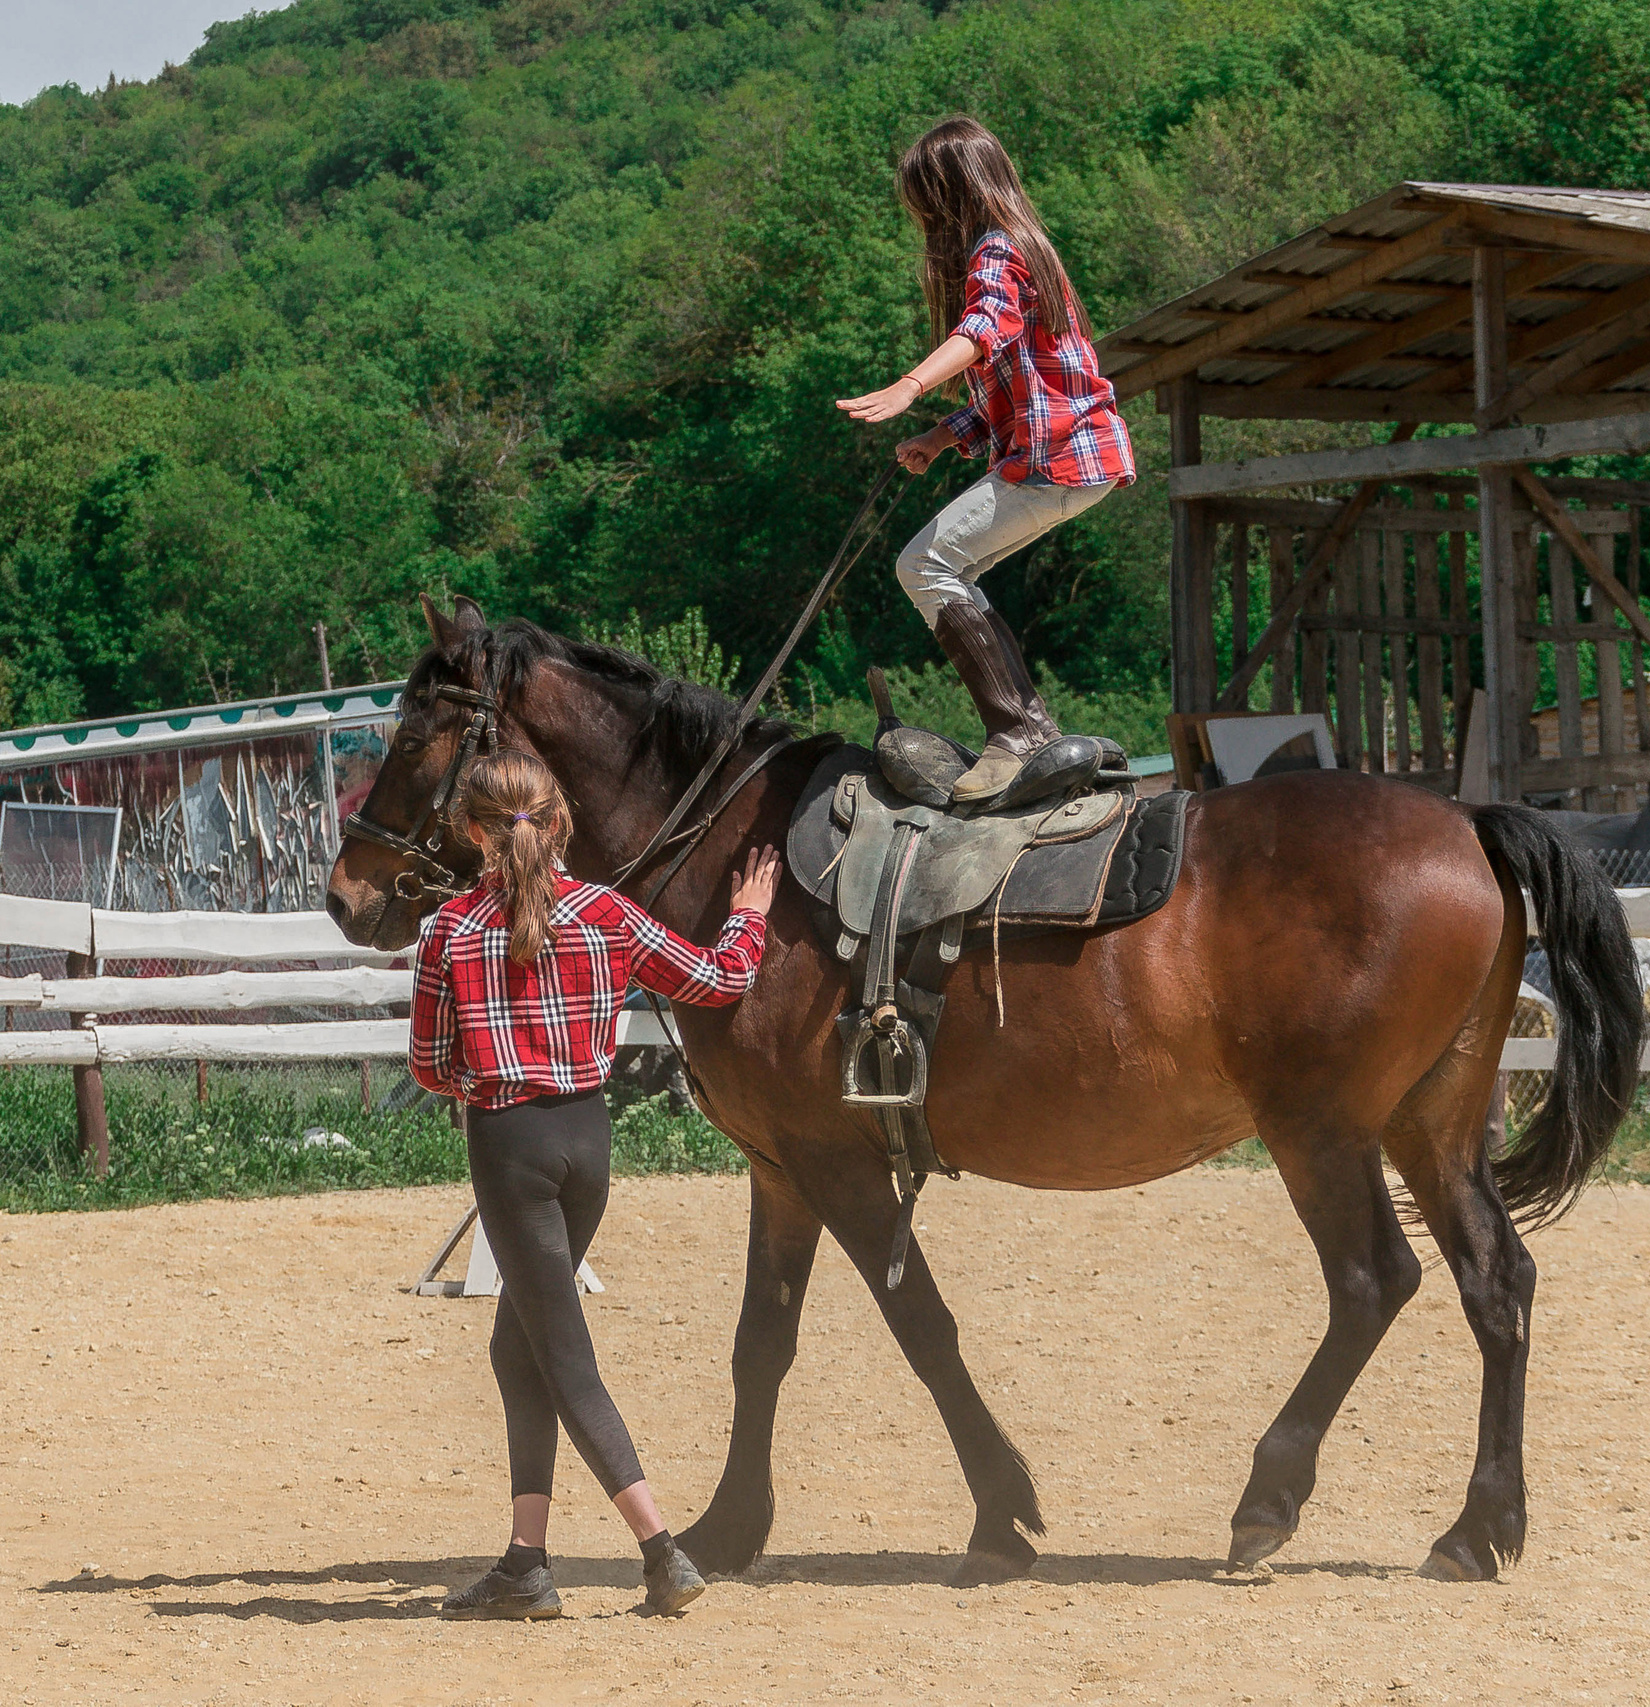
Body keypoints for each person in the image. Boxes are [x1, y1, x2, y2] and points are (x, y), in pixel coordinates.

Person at [410, 748, 781, 1620]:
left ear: (472, 832)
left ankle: (662, 1551)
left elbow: (429, 1065)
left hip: (511, 1144)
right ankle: (524, 1562)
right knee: (519, 1344)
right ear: (562, 819)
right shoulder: (606, 913)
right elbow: (721, 979)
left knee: (565, 1358)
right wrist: (750, 915)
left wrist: (485, 1080)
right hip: (589, 1139)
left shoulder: (451, 931)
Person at [837, 114, 1137, 810]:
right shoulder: (1029, 247)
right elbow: (1016, 379)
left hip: (1057, 461)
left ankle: (1017, 734)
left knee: (923, 565)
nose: (923, 225)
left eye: (924, 207)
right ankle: (1026, 729)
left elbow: (982, 331)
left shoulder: (997, 251)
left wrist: (909, 385)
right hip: (1075, 458)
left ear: (950, 197)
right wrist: (941, 435)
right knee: (952, 568)